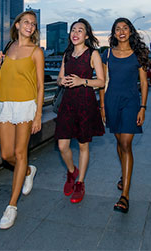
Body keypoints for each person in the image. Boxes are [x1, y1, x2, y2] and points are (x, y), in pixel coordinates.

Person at [0, 10, 45, 229]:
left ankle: (11, 206)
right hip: (6, 103)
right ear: (17, 25)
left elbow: (41, 86)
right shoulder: (8, 48)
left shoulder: (36, 51)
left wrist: (38, 115)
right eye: (26, 22)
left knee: (20, 153)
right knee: (7, 154)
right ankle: (29, 171)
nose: (29, 26)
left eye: (33, 24)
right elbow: (6, 74)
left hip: (26, 105)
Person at [99, 17, 150, 214]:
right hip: (112, 101)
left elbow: (144, 83)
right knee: (119, 142)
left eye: (125, 28)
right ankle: (124, 174)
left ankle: (125, 196)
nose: (121, 31)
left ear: (131, 32)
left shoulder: (138, 54)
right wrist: (102, 106)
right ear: (113, 33)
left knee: (126, 143)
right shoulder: (108, 54)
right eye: (117, 28)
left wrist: (143, 107)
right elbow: (103, 82)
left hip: (131, 102)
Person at [55, 18, 106, 203]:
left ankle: (80, 183)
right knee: (62, 145)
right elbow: (59, 79)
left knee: (84, 145)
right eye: (73, 30)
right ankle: (71, 171)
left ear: (86, 35)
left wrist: (81, 81)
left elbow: (101, 81)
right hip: (67, 103)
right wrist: (64, 81)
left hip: (85, 102)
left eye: (80, 30)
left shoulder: (93, 54)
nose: (75, 33)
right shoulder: (67, 54)